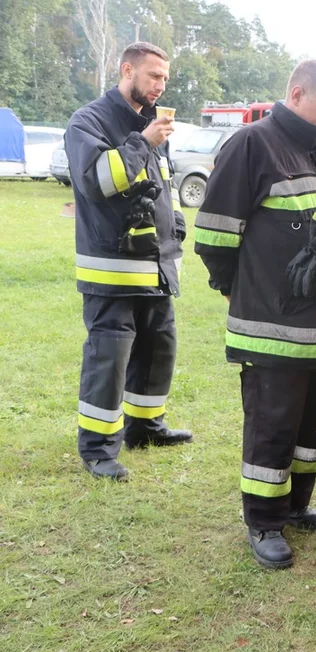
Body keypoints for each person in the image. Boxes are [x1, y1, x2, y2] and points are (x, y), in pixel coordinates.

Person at [192, 60, 316, 570]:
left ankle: (295, 506)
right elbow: (215, 236)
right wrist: (240, 290)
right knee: (273, 424)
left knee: (312, 420)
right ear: (298, 93)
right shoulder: (252, 144)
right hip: (272, 326)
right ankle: (263, 521)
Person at [65, 42, 192, 481]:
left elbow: (162, 185)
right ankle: (98, 450)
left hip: (155, 265)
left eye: (165, 79)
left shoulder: (152, 124)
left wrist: (174, 228)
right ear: (127, 70)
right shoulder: (89, 121)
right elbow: (100, 181)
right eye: (154, 76)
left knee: (160, 347)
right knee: (110, 357)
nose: (160, 85)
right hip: (111, 270)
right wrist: (144, 141)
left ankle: (145, 427)